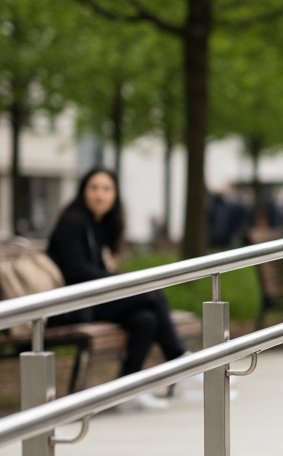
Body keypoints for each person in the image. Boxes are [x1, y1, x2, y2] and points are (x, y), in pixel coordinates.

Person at [48, 168, 184, 412]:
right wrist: (118, 282)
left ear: (115, 195)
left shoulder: (98, 225)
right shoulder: (73, 221)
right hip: (73, 305)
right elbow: (75, 271)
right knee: (152, 294)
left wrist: (115, 280)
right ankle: (179, 361)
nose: (100, 194)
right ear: (83, 191)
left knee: (145, 320)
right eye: (94, 188)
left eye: (106, 189)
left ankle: (126, 390)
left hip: (93, 299)